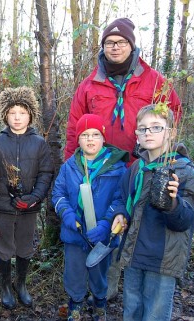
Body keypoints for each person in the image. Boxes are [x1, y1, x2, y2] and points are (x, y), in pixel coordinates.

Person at [64, 17, 182, 301]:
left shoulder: (154, 81)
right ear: (102, 47)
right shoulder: (90, 85)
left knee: (137, 224)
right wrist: (71, 168)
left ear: (132, 45)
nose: (115, 48)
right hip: (100, 170)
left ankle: (130, 285)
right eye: (109, 43)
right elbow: (73, 128)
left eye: (121, 42)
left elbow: (173, 116)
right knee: (104, 222)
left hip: (140, 167)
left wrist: (165, 155)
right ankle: (103, 287)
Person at [111, 104, 194, 321]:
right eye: (142, 129)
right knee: (132, 308)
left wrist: (173, 203)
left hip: (163, 259)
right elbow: (125, 199)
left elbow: (185, 220)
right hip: (134, 254)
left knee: (155, 313)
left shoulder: (184, 172)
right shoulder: (136, 168)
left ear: (170, 132)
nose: (148, 133)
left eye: (156, 127)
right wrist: (122, 214)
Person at [0, 86, 53, 310]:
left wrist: (34, 197)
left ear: (30, 114)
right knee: (3, 248)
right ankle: (5, 287)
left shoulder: (39, 143)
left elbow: (46, 173)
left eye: (22, 112)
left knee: (25, 247)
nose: (17, 117)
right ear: (5, 115)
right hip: (1, 208)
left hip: (28, 208)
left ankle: (21, 285)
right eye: (12, 112)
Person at [52, 114, 128, 320]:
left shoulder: (117, 167)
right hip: (75, 233)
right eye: (84, 135)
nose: (90, 139)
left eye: (95, 134)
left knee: (99, 273)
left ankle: (99, 304)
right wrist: (66, 213)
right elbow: (58, 194)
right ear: (78, 139)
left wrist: (106, 224)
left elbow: (121, 199)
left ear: (103, 138)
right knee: (74, 272)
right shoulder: (69, 166)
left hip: (103, 235)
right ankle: (75, 304)